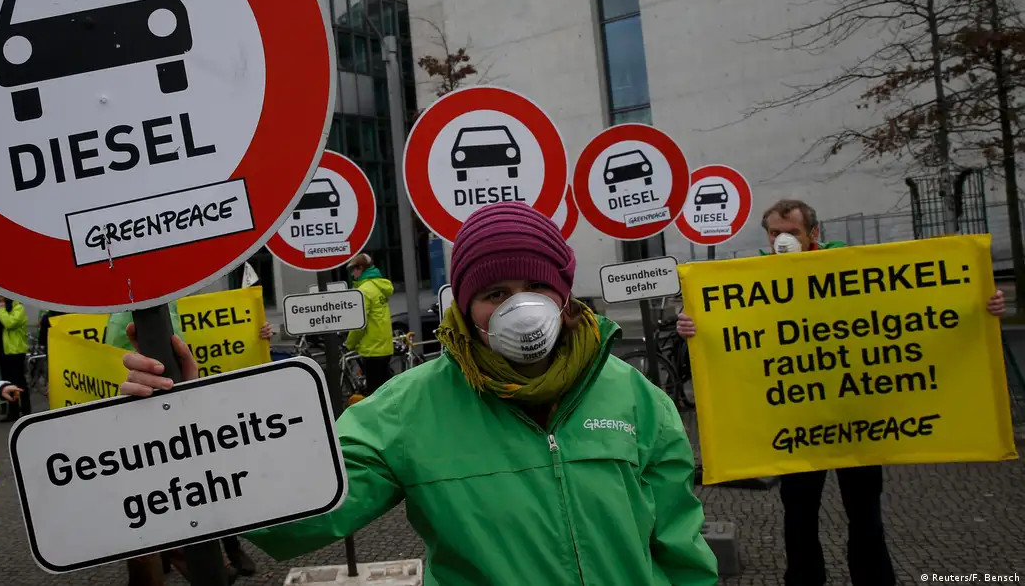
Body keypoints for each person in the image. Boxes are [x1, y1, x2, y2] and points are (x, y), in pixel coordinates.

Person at [121, 202, 719, 584]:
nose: (520, 308)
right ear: (465, 305)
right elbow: (297, 516)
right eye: (495, 293)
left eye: (537, 287)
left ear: (564, 296)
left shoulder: (637, 399)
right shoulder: (408, 410)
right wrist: (196, 428)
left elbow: (680, 548)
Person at [676, 198, 1006, 586]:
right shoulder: (752, 278)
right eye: (775, 233)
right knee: (799, 514)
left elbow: (911, 308)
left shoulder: (846, 266)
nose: (782, 240)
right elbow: (733, 331)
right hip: (797, 421)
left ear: (813, 233)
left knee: (865, 513)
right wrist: (693, 326)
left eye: (792, 232)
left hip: (857, 418)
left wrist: (980, 302)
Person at [105, 301, 275, 582]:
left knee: (198, 488)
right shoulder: (124, 312)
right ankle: (204, 562)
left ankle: (218, 557)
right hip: (144, 427)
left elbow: (202, 341)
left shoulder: (172, 303)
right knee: (152, 517)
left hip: (181, 412)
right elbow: (112, 367)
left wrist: (255, 333)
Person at [344, 253, 395, 395]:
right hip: (385, 347)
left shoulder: (364, 291)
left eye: (353, 270)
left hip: (372, 349)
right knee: (385, 391)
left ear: (360, 268)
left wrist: (350, 344)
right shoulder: (379, 286)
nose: (352, 274)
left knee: (374, 394)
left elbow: (359, 323)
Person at [0, 296, 30, 422]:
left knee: (19, 381)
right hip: (2, 352)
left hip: (15, 351)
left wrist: (1, 310)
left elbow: (10, 323)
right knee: (8, 383)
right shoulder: (1, 312)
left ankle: (26, 410)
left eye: (1, 300)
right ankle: (13, 411)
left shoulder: (18, 309)